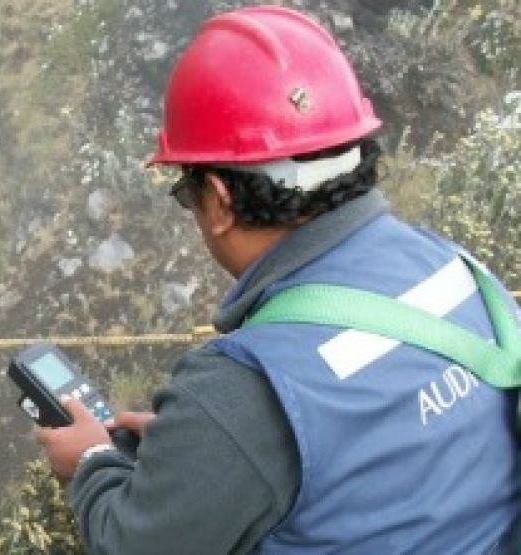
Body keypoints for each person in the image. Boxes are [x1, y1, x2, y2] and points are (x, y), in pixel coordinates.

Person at [35, 5, 521, 554]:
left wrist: (91, 462)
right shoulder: (454, 271)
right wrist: (206, 450)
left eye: (185, 194)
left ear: (218, 201)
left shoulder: (244, 387)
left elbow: (131, 544)